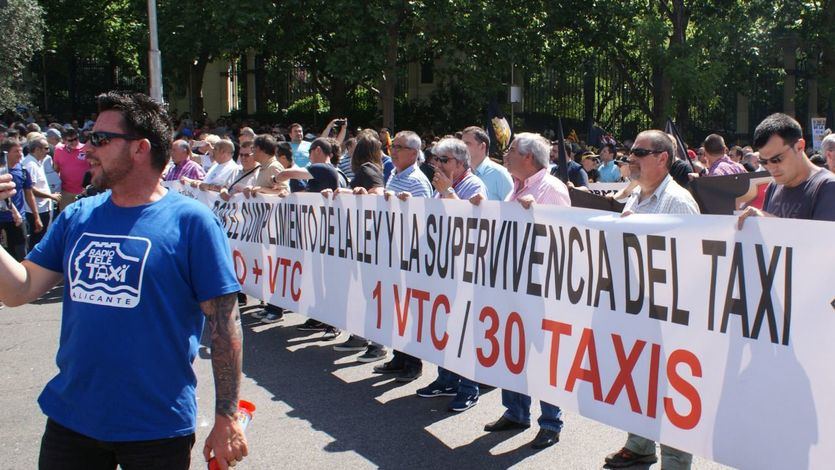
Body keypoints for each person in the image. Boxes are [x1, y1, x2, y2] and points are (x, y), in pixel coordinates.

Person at [0, 92, 247, 469]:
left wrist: (227, 417)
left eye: (100, 139)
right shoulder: (77, 216)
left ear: (139, 149)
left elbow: (224, 326)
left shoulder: (192, 222)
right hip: (71, 419)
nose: (85, 149)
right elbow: (18, 291)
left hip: (156, 427)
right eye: (87, 137)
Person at [605, 130, 699, 469]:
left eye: (639, 152)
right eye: (630, 151)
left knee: (670, 392)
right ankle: (640, 444)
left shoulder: (679, 202)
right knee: (639, 381)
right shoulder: (637, 197)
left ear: (662, 158)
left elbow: (690, 260)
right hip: (636, 309)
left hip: (667, 314)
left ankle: (675, 462)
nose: (630, 157)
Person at [482, 132, 569, 449]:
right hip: (512, 285)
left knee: (542, 356)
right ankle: (516, 412)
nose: (505, 154)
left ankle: (551, 422)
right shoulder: (516, 187)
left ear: (529, 158)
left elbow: (562, 241)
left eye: (511, 150)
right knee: (513, 350)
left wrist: (538, 215)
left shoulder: (551, 190)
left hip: (541, 291)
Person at [414, 137, 486, 412]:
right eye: (435, 159)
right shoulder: (441, 186)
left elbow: (469, 225)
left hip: (464, 272)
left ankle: (469, 387)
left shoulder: (473, 185)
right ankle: (446, 379)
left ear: (459, 162)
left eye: (443, 160)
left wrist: (447, 193)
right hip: (441, 268)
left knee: (464, 330)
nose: (437, 164)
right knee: (443, 326)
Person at [372, 130, 433, 383]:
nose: (392, 150)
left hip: (410, 256)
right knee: (395, 308)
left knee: (408, 311)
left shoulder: (417, 181)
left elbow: (423, 222)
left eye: (398, 146)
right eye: (392, 146)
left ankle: (413, 362)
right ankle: (399, 355)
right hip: (393, 253)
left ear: (413, 152)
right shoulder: (396, 174)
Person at [737, 113, 835, 227]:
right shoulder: (773, 186)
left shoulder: (828, 187)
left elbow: (822, 241)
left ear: (799, 147)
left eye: (777, 159)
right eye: (763, 162)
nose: (771, 168)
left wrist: (768, 221)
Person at [21, 137, 60, 250]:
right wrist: (51, 196)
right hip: (37, 210)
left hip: (42, 208)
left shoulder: (37, 162)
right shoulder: (30, 165)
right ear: (37, 149)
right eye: (46, 148)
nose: (48, 151)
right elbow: (30, 189)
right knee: (37, 241)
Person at [461, 126, 513, 201]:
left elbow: (512, 207)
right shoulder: (463, 173)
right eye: (462, 143)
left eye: (467, 143)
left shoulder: (500, 173)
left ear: (482, 146)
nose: (462, 147)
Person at [52, 128, 90, 211]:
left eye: (76, 139)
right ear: (64, 141)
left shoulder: (86, 149)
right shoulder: (58, 150)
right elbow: (56, 169)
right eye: (70, 140)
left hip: (83, 191)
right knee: (66, 216)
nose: (74, 142)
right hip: (66, 191)